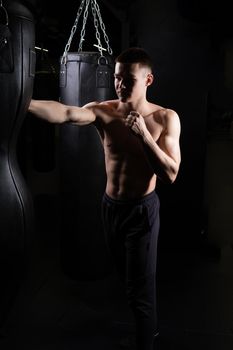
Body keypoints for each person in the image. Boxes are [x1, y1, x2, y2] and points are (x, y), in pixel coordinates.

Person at [28, 47, 181, 350]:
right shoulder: (104, 111)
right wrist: (23, 103)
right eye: (117, 78)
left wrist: (144, 136)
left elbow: (171, 174)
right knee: (126, 281)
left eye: (129, 80)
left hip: (141, 212)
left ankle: (145, 341)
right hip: (110, 207)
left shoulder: (165, 119)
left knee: (140, 291)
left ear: (148, 79)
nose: (120, 85)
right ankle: (146, 331)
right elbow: (67, 113)